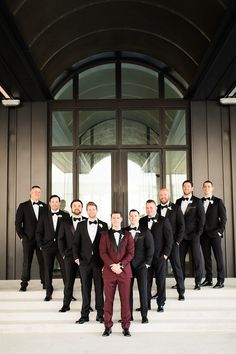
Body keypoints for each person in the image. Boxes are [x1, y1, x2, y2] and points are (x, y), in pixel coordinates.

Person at [99, 211, 134, 337]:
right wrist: (112, 266)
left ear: (121, 219)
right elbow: (102, 253)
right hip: (109, 272)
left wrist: (121, 265)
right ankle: (107, 326)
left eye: (117, 217)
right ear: (111, 219)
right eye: (113, 218)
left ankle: (126, 327)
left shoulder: (128, 234)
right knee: (108, 300)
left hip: (124, 272)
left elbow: (131, 253)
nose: (115, 219)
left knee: (125, 301)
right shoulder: (104, 235)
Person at [73, 201, 108, 324]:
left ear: (96, 210)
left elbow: (107, 246)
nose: (91, 211)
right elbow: (76, 243)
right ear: (86, 211)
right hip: (84, 263)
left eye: (93, 209)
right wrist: (76, 258)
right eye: (89, 209)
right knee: (85, 289)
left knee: (99, 289)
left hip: (99, 263)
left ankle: (100, 314)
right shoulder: (81, 225)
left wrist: (106, 262)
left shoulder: (104, 225)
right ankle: (84, 315)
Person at [36, 194, 70, 301]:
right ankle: (48, 292)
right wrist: (41, 245)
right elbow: (38, 232)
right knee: (48, 269)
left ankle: (68, 292)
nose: (55, 204)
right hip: (47, 247)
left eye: (57, 202)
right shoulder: (44, 216)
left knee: (65, 269)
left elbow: (69, 233)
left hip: (62, 248)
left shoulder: (65, 216)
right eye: (53, 202)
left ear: (59, 203)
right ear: (50, 203)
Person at [15, 185, 48, 291]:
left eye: (39, 192)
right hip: (27, 239)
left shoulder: (45, 206)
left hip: (42, 240)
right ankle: (24, 283)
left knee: (43, 261)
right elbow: (17, 223)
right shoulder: (23, 206)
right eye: (35, 191)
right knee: (26, 261)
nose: (37, 193)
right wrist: (22, 237)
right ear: (30, 192)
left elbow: (48, 224)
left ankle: (45, 282)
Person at [58, 199, 87, 312]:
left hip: (83, 257)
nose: (77, 207)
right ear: (71, 208)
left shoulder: (86, 221)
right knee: (68, 282)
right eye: (74, 205)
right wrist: (63, 254)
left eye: (79, 205)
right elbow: (60, 239)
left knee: (84, 282)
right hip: (69, 256)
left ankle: (86, 305)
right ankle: (66, 305)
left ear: (81, 208)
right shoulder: (65, 222)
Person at [176, 180, 205, 290]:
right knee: (180, 260)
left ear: (192, 188)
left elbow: (202, 219)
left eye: (188, 186)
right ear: (182, 188)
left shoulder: (197, 201)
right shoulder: (178, 201)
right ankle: (180, 281)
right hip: (181, 236)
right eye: (184, 186)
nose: (186, 188)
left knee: (197, 259)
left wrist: (198, 233)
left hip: (194, 235)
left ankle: (198, 282)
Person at [125, 209, 154, 323]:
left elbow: (150, 248)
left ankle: (144, 315)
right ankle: (129, 315)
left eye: (135, 216)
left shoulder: (145, 231)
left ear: (138, 217)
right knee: (127, 292)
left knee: (143, 290)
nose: (133, 218)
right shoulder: (125, 231)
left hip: (142, 265)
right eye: (131, 216)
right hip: (128, 266)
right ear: (129, 217)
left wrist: (147, 263)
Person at [157, 188, 185, 300]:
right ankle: (159, 293)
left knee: (177, 267)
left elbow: (181, 226)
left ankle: (181, 292)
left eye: (165, 194)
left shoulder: (176, 208)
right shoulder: (156, 209)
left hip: (173, 244)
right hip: (159, 245)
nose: (163, 196)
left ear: (168, 195)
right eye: (161, 195)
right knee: (159, 271)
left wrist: (177, 241)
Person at [200, 180, 227, 288]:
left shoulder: (218, 201)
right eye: (205, 187)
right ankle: (208, 279)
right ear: (203, 189)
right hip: (203, 235)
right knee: (207, 257)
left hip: (215, 234)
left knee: (218, 257)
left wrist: (220, 232)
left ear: (212, 188)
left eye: (208, 186)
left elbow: (224, 218)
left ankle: (221, 280)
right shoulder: (200, 201)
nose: (206, 188)